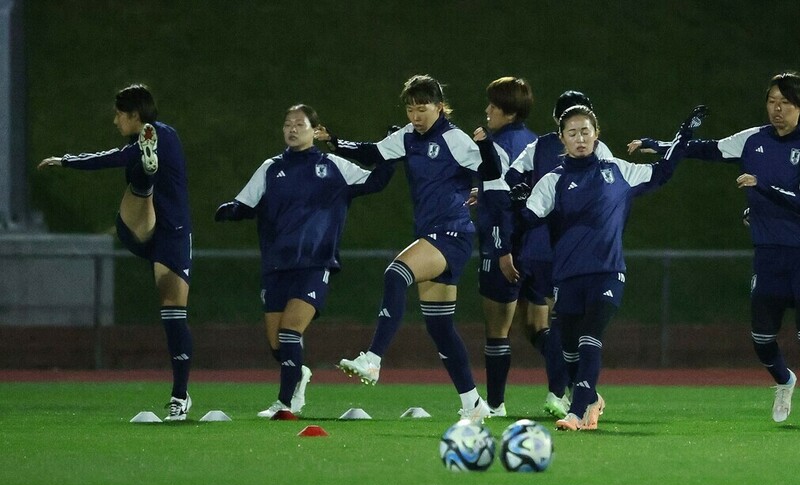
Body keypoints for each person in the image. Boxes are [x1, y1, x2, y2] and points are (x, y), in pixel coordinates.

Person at [315, 74, 502, 422]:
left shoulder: (455, 139)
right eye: (411, 108)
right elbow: (374, 152)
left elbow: (491, 171)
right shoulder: (406, 137)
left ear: (439, 106)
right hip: (435, 235)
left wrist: (486, 144)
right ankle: (473, 404)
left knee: (396, 272)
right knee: (440, 328)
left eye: (423, 108)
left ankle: (373, 358)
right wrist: (334, 142)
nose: (416, 115)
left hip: (452, 234)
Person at [628, 71, 800, 426]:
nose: (777, 109)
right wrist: (661, 144)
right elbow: (705, 149)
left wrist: (763, 187)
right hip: (769, 253)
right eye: (772, 101)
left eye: (785, 103)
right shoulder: (753, 139)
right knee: (761, 338)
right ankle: (785, 381)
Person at [513, 103, 707, 430]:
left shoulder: (616, 170)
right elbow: (528, 219)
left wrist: (683, 135)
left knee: (590, 336)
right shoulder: (553, 181)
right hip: (568, 276)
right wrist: (516, 203)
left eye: (585, 132)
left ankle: (575, 413)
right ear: (562, 138)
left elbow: (662, 171)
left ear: (596, 134)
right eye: (572, 133)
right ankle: (591, 399)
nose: (579, 138)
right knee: (567, 349)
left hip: (606, 272)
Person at [215, 104, 395, 419]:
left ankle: (284, 403)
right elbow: (246, 203)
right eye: (288, 124)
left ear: (315, 130)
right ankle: (299, 374)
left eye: (300, 123)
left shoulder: (334, 166)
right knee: (277, 344)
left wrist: (392, 151)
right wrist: (230, 210)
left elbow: (376, 181)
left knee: (289, 333)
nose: (293, 128)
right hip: (275, 266)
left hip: (314, 263)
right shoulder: (271, 168)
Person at [38, 84, 194, 421]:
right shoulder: (156, 139)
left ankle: (180, 397)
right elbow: (116, 156)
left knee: (173, 315)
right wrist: (68, 161)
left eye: (118, 114)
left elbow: (111, 158)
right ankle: (145, 180)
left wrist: (65, 161)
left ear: (134, 116)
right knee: (140, 169)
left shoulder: (159, 137)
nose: (114, 120)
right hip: (148, 229)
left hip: (167, 234)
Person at [483, 90, 614, 419]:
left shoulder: (539, 146)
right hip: (563, 251)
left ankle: (563, 392)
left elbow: (508, 181)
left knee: (550, 326)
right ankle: (569, 391)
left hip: (543, 248)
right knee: (553, 326)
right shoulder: (596, 149)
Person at [474, 76, 537, 417]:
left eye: (493, 106)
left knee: (497, 332)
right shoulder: (538, 143)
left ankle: (495, 406)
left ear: (508, 111)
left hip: (504, 247)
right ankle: (568, 393)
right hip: (538, 246)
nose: (487, 111)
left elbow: (500, 202)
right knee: (541, 327)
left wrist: (500, 249)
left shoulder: (494, 145)